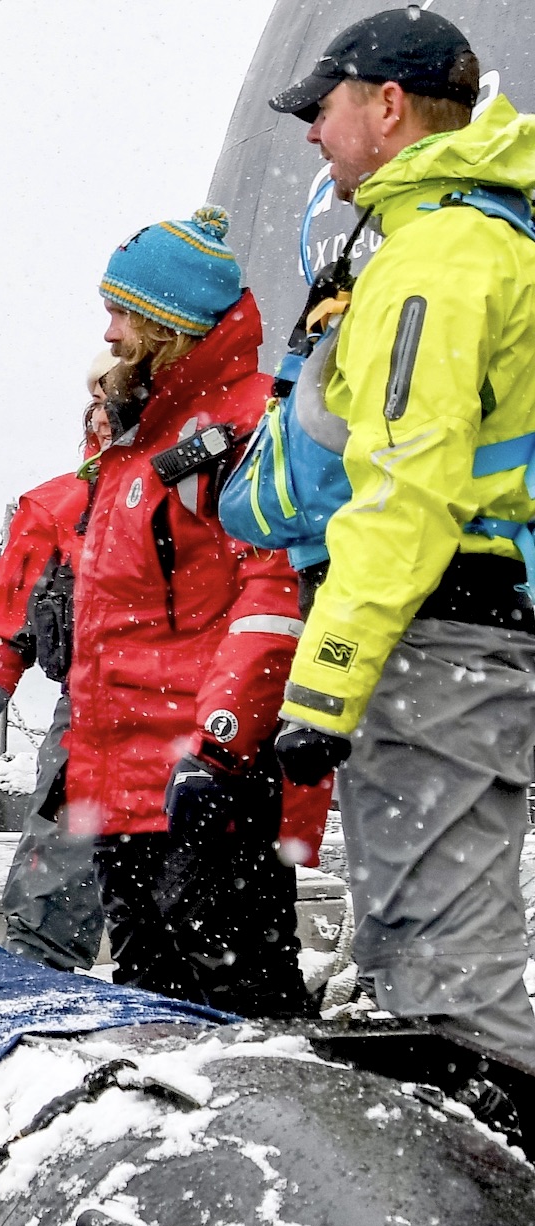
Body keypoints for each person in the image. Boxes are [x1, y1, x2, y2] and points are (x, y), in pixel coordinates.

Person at [263, 10, 535, 1069]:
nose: (309, 134)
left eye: (321, 109)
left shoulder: (438, 257)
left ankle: (496, 1207)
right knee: (422, 966)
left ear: (385, 106)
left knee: (454, 983)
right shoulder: (474, 238)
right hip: (458, 637)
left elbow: (405, 490)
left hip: (444, 642)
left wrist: (324, 684)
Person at [63, 208, 329, 1019]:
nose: (107, 332)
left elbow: (274, 593)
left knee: (243, 997)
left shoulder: (244, 427)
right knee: (150, 997)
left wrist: (218, 747)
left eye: (123, 313)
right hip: (125, 782)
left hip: (202, 781)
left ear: (167, 324)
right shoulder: (134, 435)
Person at [0, 354, 118, 970]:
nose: (108, 410)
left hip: (202, 708)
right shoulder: (55, 506)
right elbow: (6, 618)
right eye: (100, 396)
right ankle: (39, 992)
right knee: (56, 872)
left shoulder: (217, 485)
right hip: (92, 711)